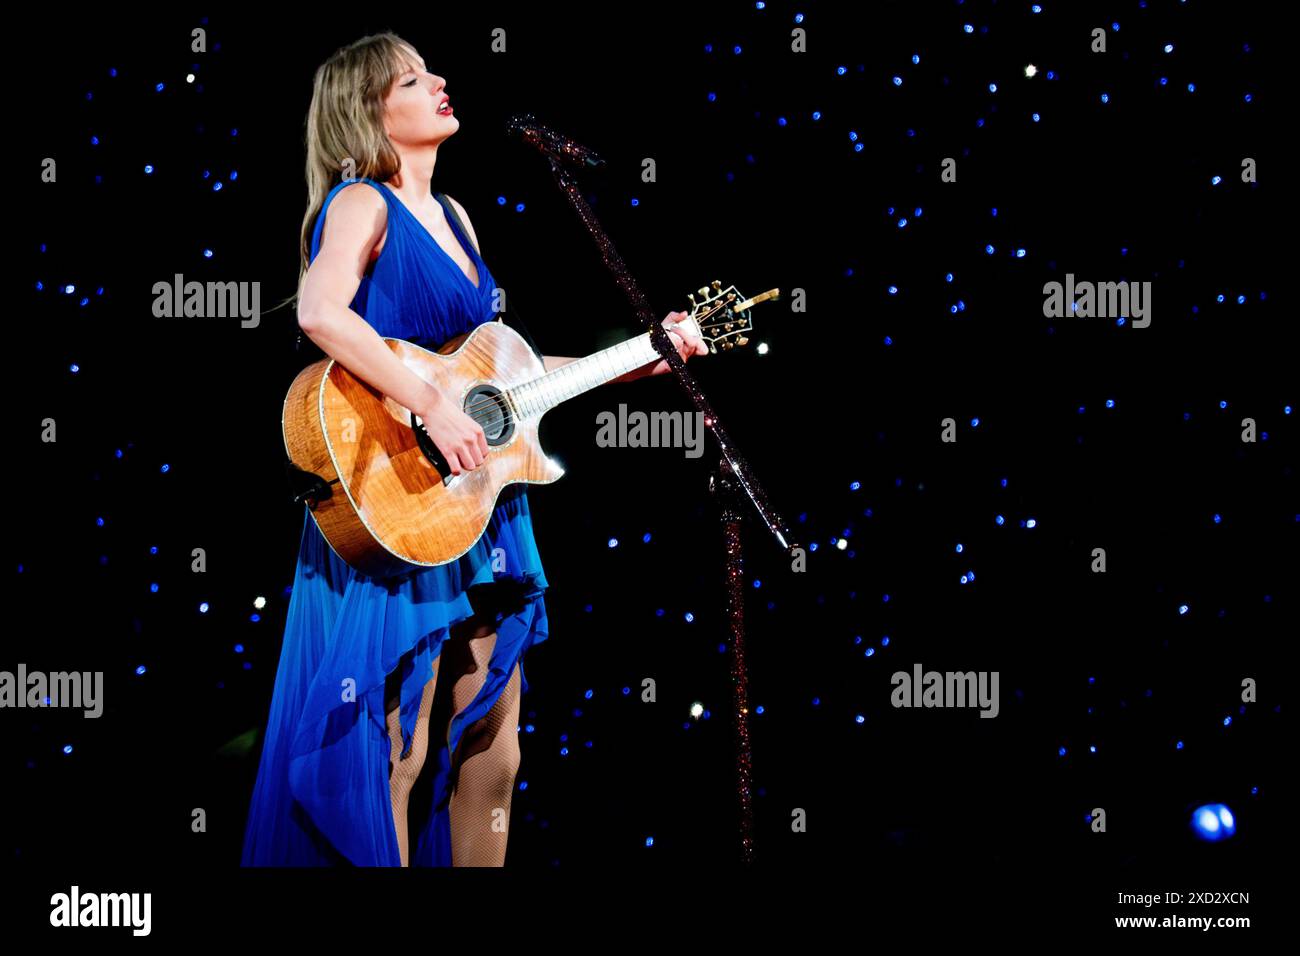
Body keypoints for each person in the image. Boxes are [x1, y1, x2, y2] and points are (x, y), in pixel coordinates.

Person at [240, 31, 706, 867]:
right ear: (369, 111)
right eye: (415, 79)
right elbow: (320, 313)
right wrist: (426, 404)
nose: (441, 82)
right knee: (398, 742)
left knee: (492, 749)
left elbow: (500, 374)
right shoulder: (360, 203)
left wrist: (640, 354)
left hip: (483, 500)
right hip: (401, 491)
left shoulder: (455, 217)